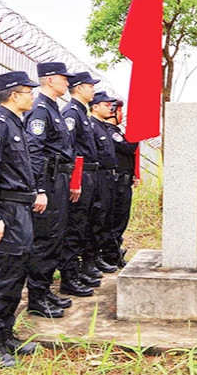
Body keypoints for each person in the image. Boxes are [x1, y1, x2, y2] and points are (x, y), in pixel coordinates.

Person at [0, 71, 41, 367]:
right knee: (1, 277)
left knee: (16, 273)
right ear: (15, 95)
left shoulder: (16, 123)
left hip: (20, 210)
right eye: (29, 91)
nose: (32, 96)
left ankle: (5, 334)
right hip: (6, 212)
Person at [24, 62, 75, 317]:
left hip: (59, 178)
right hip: (49, 178)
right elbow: (34, 150)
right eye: (64, 79)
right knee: (45, 238)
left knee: (55, 235)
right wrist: (40, 188)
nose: (67, 83)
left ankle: (44, 291)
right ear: (51, 80)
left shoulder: (53, 108)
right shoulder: (40, 109)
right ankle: (36, 297)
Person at [60, 72, 102, 293]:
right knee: (74, 227)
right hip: (80, 174)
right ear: (78, 88)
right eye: (89, 86)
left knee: (84, 225)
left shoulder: (81, 112)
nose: (92, 90)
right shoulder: (71, 113)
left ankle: (76, 272)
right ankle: (69, 278)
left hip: (89, 174)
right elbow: (70, 149)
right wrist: (75, 180)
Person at [87, 91, 120, 274]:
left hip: (108, 177)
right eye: (106, 105)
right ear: (95, 107)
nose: (110, 107)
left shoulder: (103, 127)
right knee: (96, 219)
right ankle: (89, 260)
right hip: (98, 176)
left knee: (105, 218)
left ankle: (97, 256)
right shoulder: (91, 126)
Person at [105, 98, 139, 268]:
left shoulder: (115, 131)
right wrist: (137, 133)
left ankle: (114, 252)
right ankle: (111, 254)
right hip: (116, 184)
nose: (122, 114)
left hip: (123, 182)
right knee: (116, 220)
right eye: (119, 111)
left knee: (121, 219)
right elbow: (127, 147)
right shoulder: (110, 132)